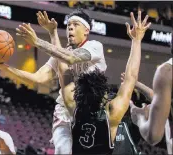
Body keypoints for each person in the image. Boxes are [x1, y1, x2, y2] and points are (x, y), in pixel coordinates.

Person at [0, 9, 107, 154]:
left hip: (91, 111)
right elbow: (38, 78)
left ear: (86, 30)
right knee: (63, 151)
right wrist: (5, 67)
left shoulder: (94, 46)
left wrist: (38, 41)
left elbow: (70, 58)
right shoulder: (61, 52)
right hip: (64, 112)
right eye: (68, 25)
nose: (70, 28)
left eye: (75, 24)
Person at [57, 11, 151, 154]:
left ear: (78, 93)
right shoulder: (111, 114)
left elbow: (64, 72)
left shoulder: (73, 108)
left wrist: (54, 35)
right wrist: (136, 40)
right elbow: (131, 77)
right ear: (103, 92)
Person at [123, 53, 172, 153]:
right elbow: (163, 99)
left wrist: (139, 118)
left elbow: (153, 135)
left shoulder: (167, 71)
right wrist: (137, 84)